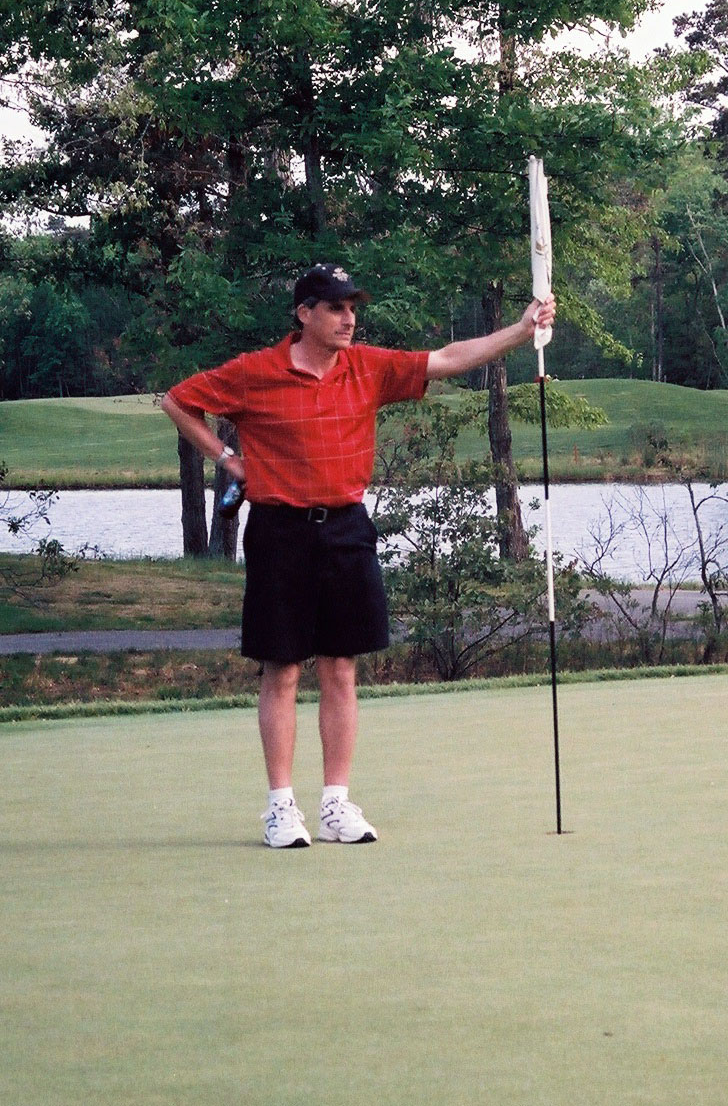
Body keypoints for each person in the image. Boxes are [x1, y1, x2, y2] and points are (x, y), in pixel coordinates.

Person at [161, 263, 555, 848]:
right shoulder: (255, 373)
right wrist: (228, 459)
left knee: (340, 667)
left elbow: (447, 358)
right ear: (304, 314)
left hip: (345, 527)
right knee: (282, 668)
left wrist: (521, 332)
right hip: (279, 530)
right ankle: (280, 808)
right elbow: (178, 401)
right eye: (336, 308)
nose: (349, 319)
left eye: (353, 309)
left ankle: (336, 804)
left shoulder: (366, 367)